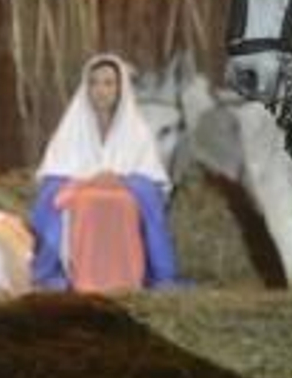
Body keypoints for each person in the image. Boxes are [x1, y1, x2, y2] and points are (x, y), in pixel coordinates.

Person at [30, 53, 181, 292]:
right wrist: (85, 184)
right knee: (83, 201)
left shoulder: (137, 131)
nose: (101, 90)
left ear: (120, 89)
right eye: (94, 83)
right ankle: (76, 276)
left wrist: (120, 182)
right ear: (86, 88)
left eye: (109, 83)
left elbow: (153, 184)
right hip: (79, 206)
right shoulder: (70, 128)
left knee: (120, 202)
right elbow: (52, 181)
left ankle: (126, 280)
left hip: (122, 207)